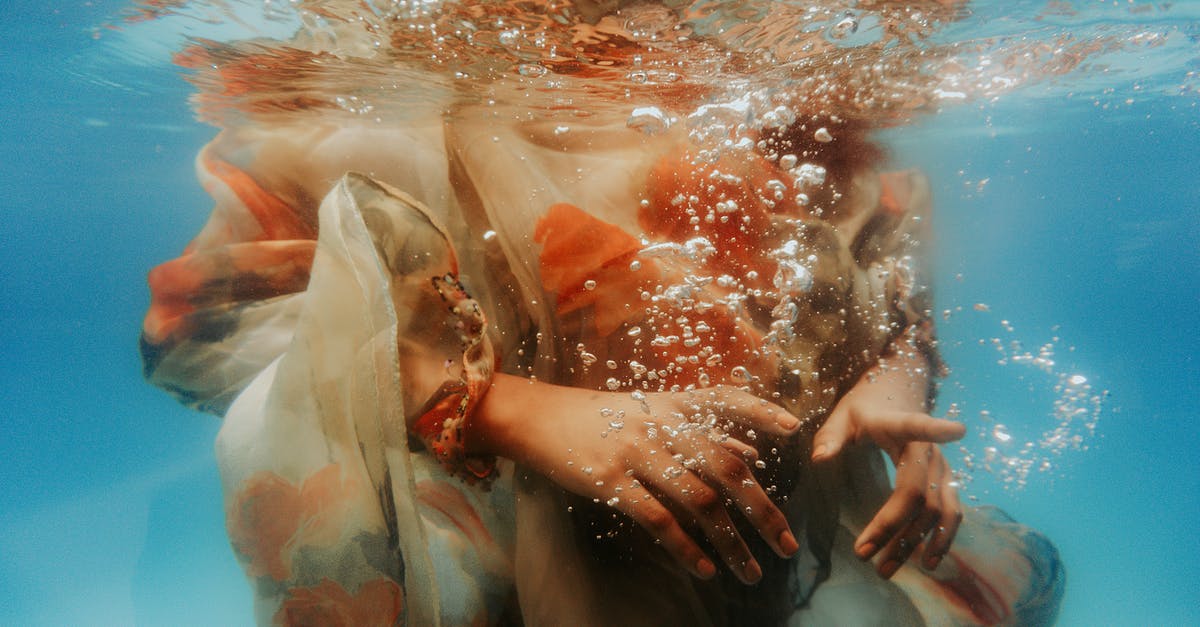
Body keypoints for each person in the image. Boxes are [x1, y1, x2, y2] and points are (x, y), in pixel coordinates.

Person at [141, 2, 1063, 624]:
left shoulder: (787, 105)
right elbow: (211, 333)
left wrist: (898, 397)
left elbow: (881, 277)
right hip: (534, 579)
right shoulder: (353, 118)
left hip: (778, 558)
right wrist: (509, 408)